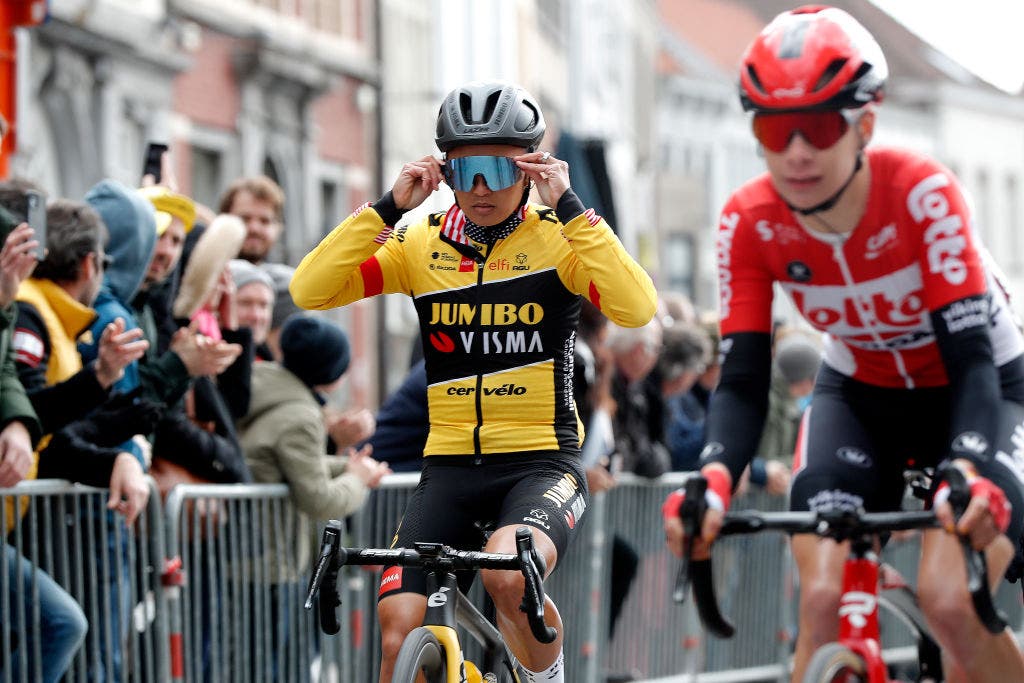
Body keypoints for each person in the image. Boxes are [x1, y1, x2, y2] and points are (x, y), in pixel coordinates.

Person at [662, 7, 1024, 682]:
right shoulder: (748, 221)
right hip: (860, 398)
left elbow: (973, 359)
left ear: (865, 125)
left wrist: (970, 466)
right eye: (775, 130)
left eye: (821, 126)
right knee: (823, 600)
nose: (797, 152)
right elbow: (742, 379)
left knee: (950, 603)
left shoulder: (921, 193)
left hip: (981, 392)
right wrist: (712, 479)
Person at [290, 80, 658, 682]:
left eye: (498, 168)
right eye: (464, 171)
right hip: (450, 468)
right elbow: (311, 288)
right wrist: (387, 209)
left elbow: (637, 308)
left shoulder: (561, 241)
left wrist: (570, 207)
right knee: (397, 629)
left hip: (540, 464)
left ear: (531, 167)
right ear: (443, 171)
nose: (481, 187)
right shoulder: (418, 243)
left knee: (507, 576)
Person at [0, 202, 88, 683]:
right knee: (62, 622)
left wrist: (18, 423)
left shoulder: (14, 302)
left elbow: (12, 380)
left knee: (63, 622)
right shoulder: (28, 306)